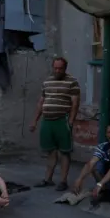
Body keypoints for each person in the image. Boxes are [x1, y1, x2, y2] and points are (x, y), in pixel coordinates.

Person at [30, 57, 81, 192]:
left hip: (62, 120)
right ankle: (48, 179)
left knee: (64, 152)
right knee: (51, 151)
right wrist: (35, 121)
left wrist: (70, 121)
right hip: (47, 121)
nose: (57, 70)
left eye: (60, 68)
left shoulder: (72, 82)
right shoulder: (47, 81)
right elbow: (41, 102)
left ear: (65, 68)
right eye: (55, 68)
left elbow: (75, 103)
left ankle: (63, 181)